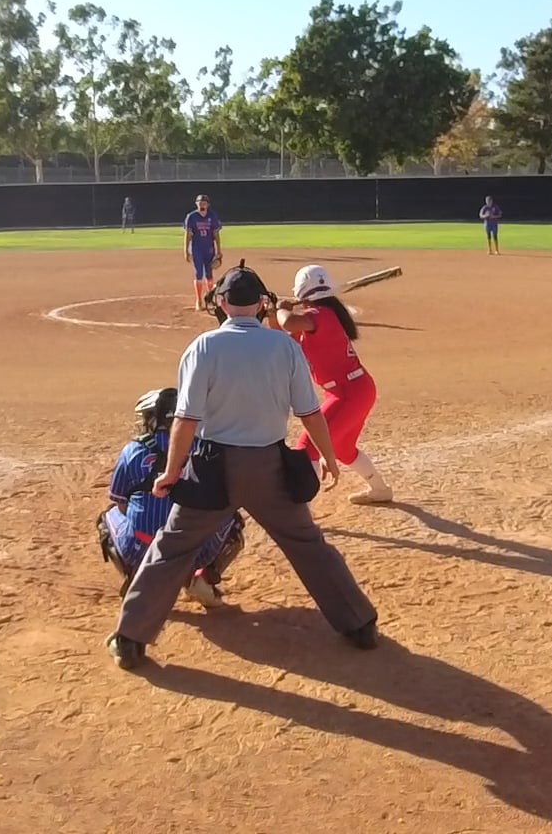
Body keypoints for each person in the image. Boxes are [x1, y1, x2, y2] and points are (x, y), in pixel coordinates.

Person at [107, 262, 378, 670]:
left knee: (172, 547)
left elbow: (186, 419)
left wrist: (172, 471)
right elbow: (309, 412)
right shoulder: (284, 346)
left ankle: (130, 639)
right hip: (270, 467)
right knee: (307, 543)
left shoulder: (204, 346)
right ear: (262, 303)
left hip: (212, 468)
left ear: (220, 302)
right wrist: (327, 455)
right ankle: (360, 624)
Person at [96, 387, 246, 609]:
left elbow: (120, 502)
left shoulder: (132, 450)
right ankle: (202, 577)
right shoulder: (206, 448)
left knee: (106, 517)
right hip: (196, 551)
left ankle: (137, 575)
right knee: (233, 519)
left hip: (141, 548)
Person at [277, 265, 392, 505]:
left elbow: (288, 322)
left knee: (308, 446)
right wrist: (272, 313)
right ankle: (380, 490)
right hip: (350, 390)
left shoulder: (321, 315)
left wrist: (281, 309)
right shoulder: (318, 317)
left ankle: (298, 511)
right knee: (343, 448)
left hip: (349, 392)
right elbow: (283, 334)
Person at [183, 193, 223, 310]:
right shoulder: (191, 217)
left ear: (208, 205)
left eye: (204, 203)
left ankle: (209, 299)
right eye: (200, 203)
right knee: (198, 274)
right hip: (197, 249)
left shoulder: (212, 216)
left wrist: (219, 250)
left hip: (209, 249)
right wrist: (186, 250)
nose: (202, 205)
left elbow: (216, 234)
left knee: (209, 274)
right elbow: (188, 235)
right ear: (196, 204)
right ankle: (199, 300)